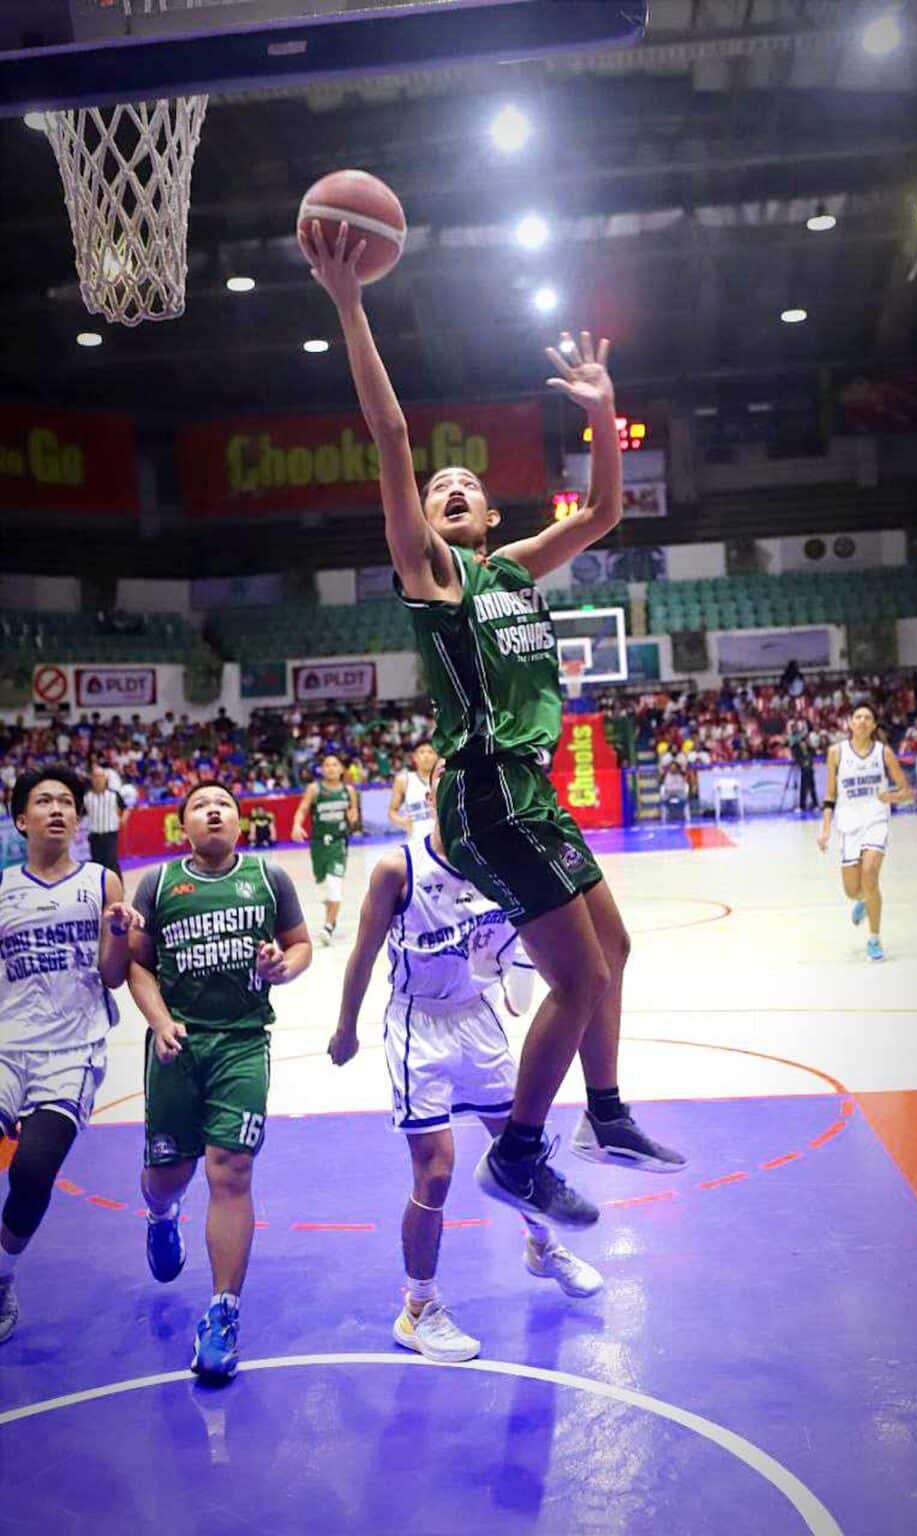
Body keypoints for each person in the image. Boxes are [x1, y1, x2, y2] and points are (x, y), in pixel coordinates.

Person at [302, 220, 684, 1230]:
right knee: (577, 973)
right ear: (424, 518)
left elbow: (601, 513)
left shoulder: (512, 567)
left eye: (466, 483)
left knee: (618, 951)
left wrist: (604, 415)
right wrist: (349, 304)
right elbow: (388, 437)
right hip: (482, 790)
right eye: (440, 487)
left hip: (532, 789)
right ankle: (519, 1154)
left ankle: (602, 1112)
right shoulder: (432, 573)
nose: (455, 487)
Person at [327, 759, 602, 1363]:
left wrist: (513, 979)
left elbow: (521, 944)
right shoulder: (397, 869)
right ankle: (418, 1308)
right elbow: (364, 954)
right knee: (436, 1171)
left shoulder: (503, 869)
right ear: (432, 796)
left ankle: (541, 1247)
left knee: (519, 1151)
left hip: (477, 1021)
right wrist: (345, 1026)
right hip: (416, 1025)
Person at [128, 781, 312, 1381]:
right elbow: (137, 964)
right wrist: (159, 1022)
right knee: (167, 1177)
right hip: (177, 1046)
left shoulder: (269, 879)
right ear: (184, 825)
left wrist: (283, 968)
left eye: (225, 805)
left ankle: (223, 1311)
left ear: (240, 821)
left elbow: (300, 945)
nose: (214, 810)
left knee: (230, 1171)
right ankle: (160, 1214)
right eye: (201, 805)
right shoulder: (157, 885)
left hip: (242, 1041)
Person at [0, 766, 142, 1343]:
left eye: (66, 802)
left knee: (32, 1172)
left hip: (71, 1050)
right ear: (20, 819)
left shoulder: (102, 881)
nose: (57, 809)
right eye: (43, 801)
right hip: (7, 1045)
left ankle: (3, 1277)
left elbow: (112, 977)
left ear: (79, 821)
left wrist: (116, 933)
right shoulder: (3, 886)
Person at [817, 703, 913, 961]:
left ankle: (874, 939)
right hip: (848, 822)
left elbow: (907, 791)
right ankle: (864, 901)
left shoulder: (884, 753)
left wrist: (890, 797)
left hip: (876, 819)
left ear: (873, 725)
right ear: (850, 723)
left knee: (870, 874)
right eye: (857, 717)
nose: (861, 721)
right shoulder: (836, 752)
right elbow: (829, 795)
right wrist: (825, 829)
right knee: (852, 890)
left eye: (867, 717)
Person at [290, 754, 359, 946]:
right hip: (319, 844)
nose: (331, 768)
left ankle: (328, 925)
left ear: (341, 769)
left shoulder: (349, 790)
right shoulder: (314, 789)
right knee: (323, 888)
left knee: (334, 886)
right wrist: (296, 826)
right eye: (327, 765)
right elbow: (303, 809)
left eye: (335, 764)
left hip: (338, 843)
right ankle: (332, 918)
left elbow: (353, 817)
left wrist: (353, 819)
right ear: (322, 769)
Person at [387, 739, 437, 841]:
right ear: (414, 757)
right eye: (422, 752)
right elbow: (392, 811)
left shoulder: (443, 779)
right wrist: (403, 821)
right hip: (415, 841)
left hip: (441, 841)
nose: (426, 756)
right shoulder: (404, 780)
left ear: (437, 756)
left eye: (430, 752)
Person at [83, 763, 125, 879]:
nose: (98, 780)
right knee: (96, 864)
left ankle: (118, 889)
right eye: (95, 776)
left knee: (111, 862)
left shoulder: (114, 794)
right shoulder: (86, 796)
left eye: (100, 776)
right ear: (91, 779)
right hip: (95, 835)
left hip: (110, 834)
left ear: (105, 778)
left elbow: (124, 807)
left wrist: (122, 819)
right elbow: (81, 813)